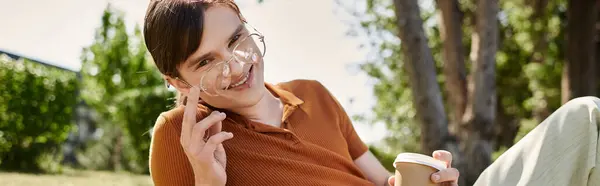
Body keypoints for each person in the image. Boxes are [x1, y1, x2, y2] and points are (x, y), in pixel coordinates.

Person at [143, 0, 459, 185]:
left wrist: (430, 179)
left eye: (236, 39)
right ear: (179, 82)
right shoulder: (183, 135)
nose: (237, 68)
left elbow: (381, 180)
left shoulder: (313, 93)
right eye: (206, 62)